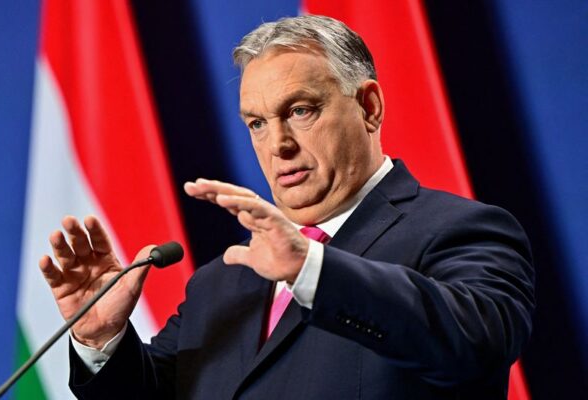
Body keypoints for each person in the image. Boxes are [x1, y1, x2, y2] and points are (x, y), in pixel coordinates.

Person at [39, 15, 534, 399]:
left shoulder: (461, 230)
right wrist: (101, 338)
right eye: (257, 123)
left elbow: (477, 344)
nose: (278, 144)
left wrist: (310, 269)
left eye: (300, 111)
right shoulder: (222, 281)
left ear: (369, 107)